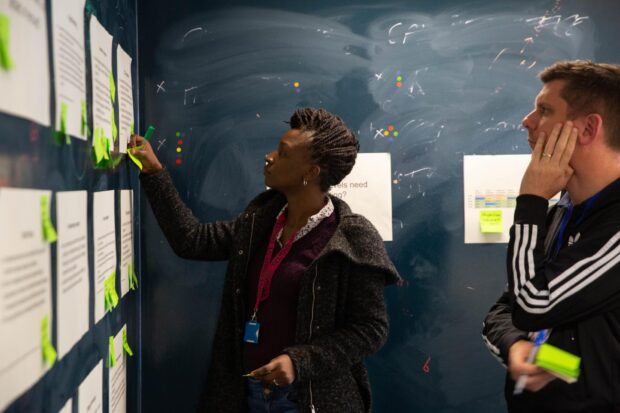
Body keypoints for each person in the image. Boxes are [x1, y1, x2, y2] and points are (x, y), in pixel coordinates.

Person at [130, 107, 401, 413]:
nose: (269, 157)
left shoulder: (352, 237)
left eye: (283, 153)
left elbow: (371, 329)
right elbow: (191, 240)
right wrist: (153, 170)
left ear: (310, 173)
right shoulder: (260, 221)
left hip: (307, 399)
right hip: (246, 393)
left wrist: (299, 362)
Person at [482, 60, 620, 412]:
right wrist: (516, 346)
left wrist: (530, 200)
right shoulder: (564, 210)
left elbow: (532, 305)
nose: (526, 121)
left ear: (588, 128)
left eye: (544, 110)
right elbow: (505, 308)